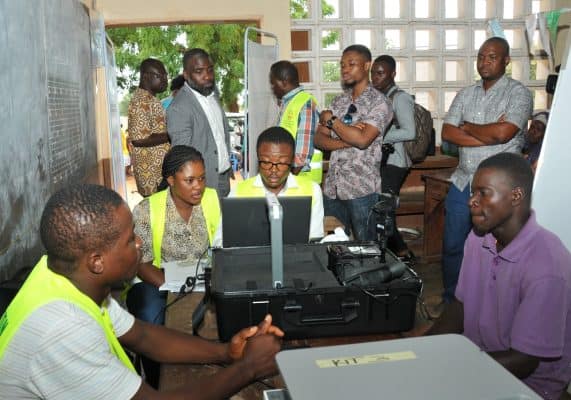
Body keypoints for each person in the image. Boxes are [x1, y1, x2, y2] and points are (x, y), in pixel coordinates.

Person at [0, 184, 283, 399]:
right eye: (129, 239)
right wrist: (249, 368)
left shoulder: (64, 276)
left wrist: (227, 353)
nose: (139, 244)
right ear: (97, 261)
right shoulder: (63, 329)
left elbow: (143, 336)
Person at [427, 152, 571, 400]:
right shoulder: (478, 238)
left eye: (483, 193)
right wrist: (421, 349)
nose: (472, 201)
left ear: (516, 196)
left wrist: (450, 369)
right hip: (478, 358)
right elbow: (460, 308)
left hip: (529, 384)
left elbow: (524, 361)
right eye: (473, 192)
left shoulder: (547, 265)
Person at [440, 37, 532, 302]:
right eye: (481, 56)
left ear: (506, 61)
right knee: (453, 246)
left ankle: (490, 304)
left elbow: (504, 133)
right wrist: (489, 135)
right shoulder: (465, 93)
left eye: (492, 57)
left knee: (496, 248)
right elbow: (447, 132)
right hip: (462, 180)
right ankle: (452, 303)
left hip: (498, 187)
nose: (484, 62)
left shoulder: (518, 93)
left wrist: (466, 127)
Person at [126, 145, 222, 388]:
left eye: (201, 178)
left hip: (204, 275)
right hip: (157, 277)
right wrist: (174, 286)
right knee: (150, 317)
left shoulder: (211, 199)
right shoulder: (147, 209)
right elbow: (141, 263)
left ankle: (213, 374)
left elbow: (223, 246)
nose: (198, 186)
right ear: (170, 179)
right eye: (189, 180)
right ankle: (158, 382)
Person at [315, 44, 393, 241]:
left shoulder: (380, 102)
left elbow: (362, 140)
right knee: (333, 245)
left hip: (362, 191)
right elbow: (319, 139)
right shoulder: (338, 102)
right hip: (333, 188)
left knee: (368, 251)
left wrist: (332, 121)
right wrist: (346, 140)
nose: (345, 69)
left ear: (367, 65)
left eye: (351, 64)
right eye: (342, 65)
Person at [232, 126, 324, 240]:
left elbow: (314, 241)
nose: (273, 170)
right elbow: (221, 242)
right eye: (266, 162)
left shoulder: (312, 191)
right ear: (258, 159)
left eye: (282, 163)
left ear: (292, 161)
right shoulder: (238, 192)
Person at [167, 48, 232, 199]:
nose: (207, 76)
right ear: (186, 75)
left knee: (223, 222)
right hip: (202, 184)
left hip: (223, 177)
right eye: (199, 71)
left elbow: (219, 135)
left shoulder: (212, 94)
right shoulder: (179, 108)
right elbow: (182, 157)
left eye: (210, 69)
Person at [371, 54, 416, 262]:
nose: (375, 77)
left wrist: (378, 135)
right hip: (382, 161)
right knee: (382, 210)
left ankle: (403, 254)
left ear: (393, 74)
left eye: (380, 73)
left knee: (385, 211)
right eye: (373, 72)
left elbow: (410, 131)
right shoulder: (377, 97)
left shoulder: (401, 98)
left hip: (395, 163)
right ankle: (393, 254)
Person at [270, 60, 322, 183]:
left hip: (302, 181)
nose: (273, 87)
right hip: (291, 178)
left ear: (284, 82)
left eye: (274, 83)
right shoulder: (288, 103)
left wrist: (283, 181)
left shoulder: (305, 103)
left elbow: (301, 156)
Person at [128, 58, 171, 197]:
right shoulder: (140, 101)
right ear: (146, 76)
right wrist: (171, 134)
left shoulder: (150, 98)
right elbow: (139, 139)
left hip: (159, 172)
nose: (165, 80)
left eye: (166, 76)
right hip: (152, 177)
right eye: (160, 76)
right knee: (157, 215)